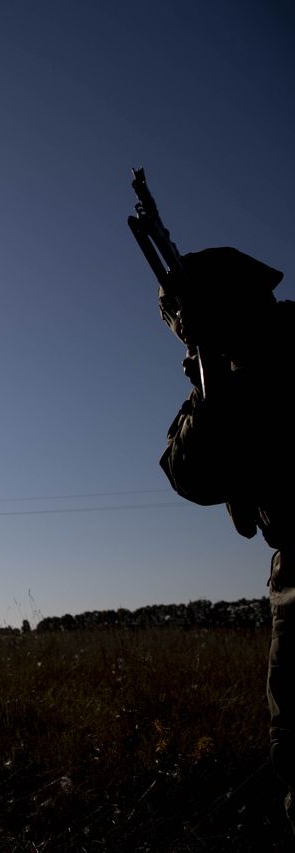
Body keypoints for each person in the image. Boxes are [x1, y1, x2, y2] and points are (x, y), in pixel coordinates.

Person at [156, 247, 294, 826]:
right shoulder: (227, 373)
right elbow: (186, 474)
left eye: (186, 319)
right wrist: (209, 384)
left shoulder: (278, 350)